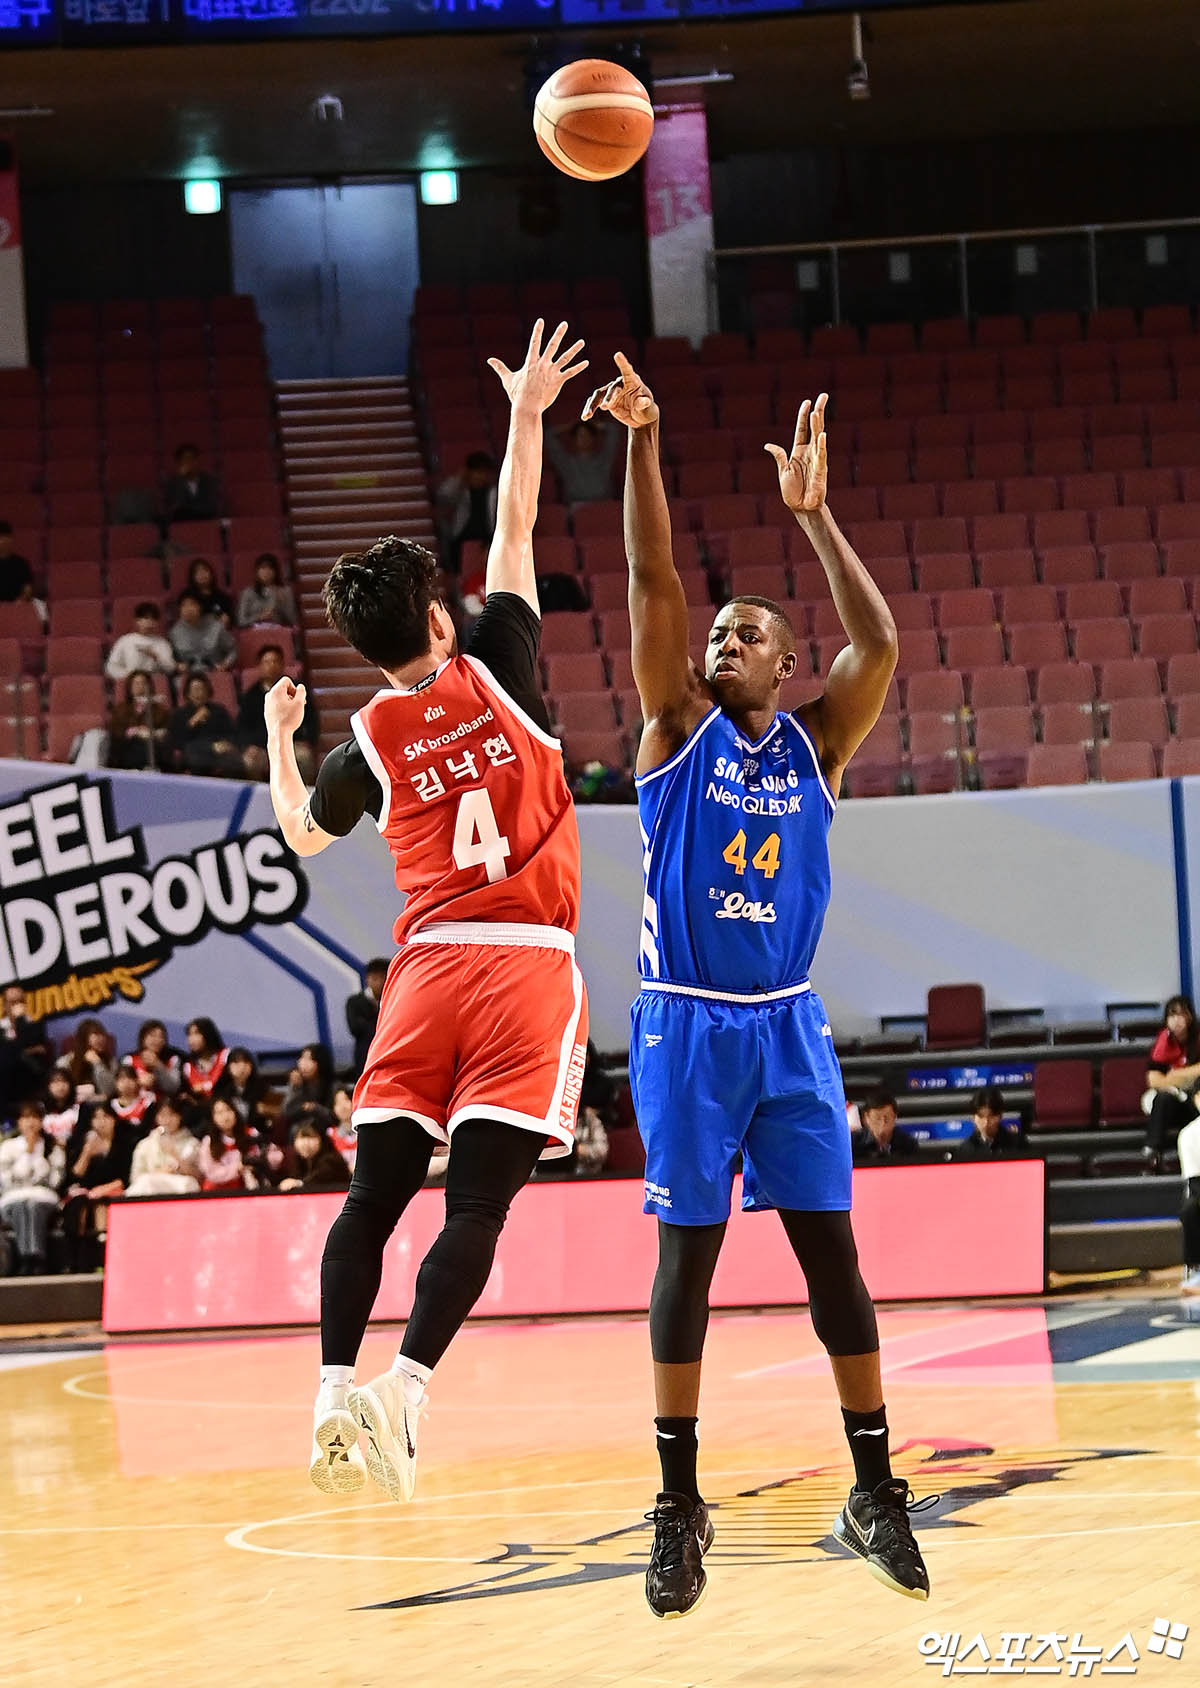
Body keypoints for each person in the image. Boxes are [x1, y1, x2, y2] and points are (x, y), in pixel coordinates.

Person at [584, 355, 928, 1614]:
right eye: (721, 632)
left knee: (835, 1257)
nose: (724, 640)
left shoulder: (817, 742)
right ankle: (679, 1502)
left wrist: (816, 519)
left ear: (787, 666)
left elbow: (879, 642)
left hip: (787, 1027)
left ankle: (873, 1486)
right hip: (685, 1023)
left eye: (750, 634)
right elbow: (652, 579)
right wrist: (643, 443)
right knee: (689, 1260)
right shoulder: (675, 730)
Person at [264, 318, 589, 1503]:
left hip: (426, 969)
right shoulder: (499, 659)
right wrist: (526, 411)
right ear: (441, 622)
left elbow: (300, 832)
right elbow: (515, 523)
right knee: (478, 1204)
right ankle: (403, 1391)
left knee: (372, 1197)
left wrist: (279, 735)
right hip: (525, 966)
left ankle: (326, 1392)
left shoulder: (364, 738)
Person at [59, 1102, 133, 1271]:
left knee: (101, 1204)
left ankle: (104, 1258)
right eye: (96, 1118)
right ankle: (76, 1261)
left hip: (114, 1190)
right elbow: (75, 1175)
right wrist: (87, 1152)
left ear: (114, 1119)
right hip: (86, 1191)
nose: (101, 1122)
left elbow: (125, 1178)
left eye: (105, 1117)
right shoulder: (81, 1142)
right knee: (78, 1205)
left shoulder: (124, 1143)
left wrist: (102, 1190)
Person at [238, 644, 319, 783]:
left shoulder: (296, 691)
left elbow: (312, 719)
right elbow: (243, 727)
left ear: (282, 665)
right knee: (250, 761)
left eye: (275, 661)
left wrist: (308, 740)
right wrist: (249, 746)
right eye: (267, 662)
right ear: (260, 666)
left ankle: (305, 794)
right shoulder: (250, 696)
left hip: (292, 743)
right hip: (262, 747)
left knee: (304, 757)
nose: (271, 666)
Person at [0, 1102, 65, 1274]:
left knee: (33, 1206)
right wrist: (27, 1154)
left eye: (35, 1117)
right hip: (13, 1196)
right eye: (26, 1117)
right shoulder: (8, 1147)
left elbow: (55, 1181)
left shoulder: (53, 1147)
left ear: (41, 1121)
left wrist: (37, 1158)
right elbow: (6, 1181)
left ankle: (35, 1258)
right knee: (22, 1206)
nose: (30, 1122)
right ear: (19, 1122)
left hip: (43, 1196)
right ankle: (28, 1257)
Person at [1144, 995, 1200, 1157]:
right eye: (1172, 1015)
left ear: (1190, 1016)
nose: (1176, 1020)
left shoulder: (1198, 1039)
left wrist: (1175, 1075)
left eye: (1181, 1014)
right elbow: (1154, 1080)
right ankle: (1152, 1149)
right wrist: (1184, 1077)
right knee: (1162, 1098)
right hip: (1176, 1100)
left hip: (1196, 1100)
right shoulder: (1162, 1043)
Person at [169, 672, 242, 777]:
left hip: (219, 752)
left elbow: (232, 733)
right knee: (194, 756)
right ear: (188, 693)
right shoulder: (180, 714)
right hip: (194, 754)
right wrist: (192, 723)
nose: (198, 693)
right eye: (194, 690)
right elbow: (178, 742)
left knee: (232, 760)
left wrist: (225, 744)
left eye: (201, 689)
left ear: (207, 692)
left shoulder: (219, 710)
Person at [125, 1097, 202, 1197]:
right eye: (162, 1115)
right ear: (156, 1118)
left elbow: (198, 1177)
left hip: (179, 1188)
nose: (167, 1120)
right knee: (146, 1182)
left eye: (171, 1115)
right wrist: (159, 1173)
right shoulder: (144, 1144)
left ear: (179, 1116)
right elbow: (136, 1177)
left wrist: (175, 1155)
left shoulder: (192, 1144)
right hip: (149, 1189)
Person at [435, 449, 498, 568]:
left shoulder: (494, 493)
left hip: (488, 539)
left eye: (483, 472)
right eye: (477, 472)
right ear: (469, 472)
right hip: (462, 539)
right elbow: (443, 496)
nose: (480, 477)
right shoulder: (461, 491)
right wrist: (460, 478)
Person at [545, 415, 620, 506]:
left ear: (593, 439)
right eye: (580, 436)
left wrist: (594, 425)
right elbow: (548, 435)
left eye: (587, 435)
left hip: (603, 505)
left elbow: (613, 430)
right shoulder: (566, 462)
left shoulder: (604, 459)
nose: (584, 439)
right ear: (574, 440)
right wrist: (569, 427)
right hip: (577, 507)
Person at [106, 670, 172, 771]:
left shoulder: (160, 710)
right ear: (130, 687)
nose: (140, 686)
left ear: (149, 686)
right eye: (136, 683)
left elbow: (167, 729)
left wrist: (155, 733)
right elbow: (115, 731)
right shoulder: (120, 708)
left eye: (143, 683)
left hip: (154, 745)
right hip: (128, 747)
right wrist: (136, 731)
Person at [0, 984, 51, 1114]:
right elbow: (10, 1055)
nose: (18, 1006)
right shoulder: (1, 1029)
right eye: (13, 1002)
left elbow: (40, 1054)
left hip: (32, 1081)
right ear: (4, 1005)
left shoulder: (35, 1024)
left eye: (20, 1001)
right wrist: (27, 1051)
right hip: (7, 1086)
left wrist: (20, 1020)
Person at [277, 1116, 353, 1193]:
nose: (306, 1143)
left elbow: (317, 1181)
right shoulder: (296, 1160)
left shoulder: (331, 1160)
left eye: (311, 1137)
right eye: (301, 1138)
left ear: (322, 1140)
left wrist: (297, 1183)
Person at [105, 603, 176, 682]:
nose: (150, 623)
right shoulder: (125, 640)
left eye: (153, 619)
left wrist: (156, 657)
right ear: (137, 621)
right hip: (129, 682)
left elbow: (171, 669)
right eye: (146, 618)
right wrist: (129, 676)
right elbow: (110, 667)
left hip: (154, 683)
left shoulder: (162, 643)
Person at [170, 592, 237, 674]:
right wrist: (178, 665)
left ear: (200, 607)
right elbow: (172, 658)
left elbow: (233, 650)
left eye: (192, 604)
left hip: (215, 672)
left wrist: (225, 664)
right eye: (183, 605)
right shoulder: (174, 632)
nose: (188, 609)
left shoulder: (216, 626)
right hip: (188, 675)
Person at [345, 958, 389, 1076]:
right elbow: (354, 1027)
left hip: (388, 1055)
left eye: (382, 978)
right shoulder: (355, 1001)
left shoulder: (393, 1000)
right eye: (375, 978)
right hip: (365, 1058)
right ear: (367, 979)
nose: (379, 983)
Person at [852, 1088, 918, 1165]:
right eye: (877, 1118)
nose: (882, 1123)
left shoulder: (908, 1144)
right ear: (866, 1118)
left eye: (887, 1118)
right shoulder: (853, 1144)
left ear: (895, 1117)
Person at [954, 1085, 1024, 1159]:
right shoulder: (965, 1150)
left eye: (991, 1116)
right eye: (981, 1117)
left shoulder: (1017, 1143)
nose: (986, 1122)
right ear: (973, 1118)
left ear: (1000, 1116)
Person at [60, 1017, 117, 1102]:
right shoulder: (66, 1061)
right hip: (73, 1104)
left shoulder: (111, 1062)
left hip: (102, 1106)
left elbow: (109, 1090)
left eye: (103, 1035)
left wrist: (97, 1063)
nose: (101, 1038)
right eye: (96, 1034)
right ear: (84, 1037)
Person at [163, 443, 221, 525]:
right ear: (179, 463)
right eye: (185, 460)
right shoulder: (172, 483)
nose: (190, 463)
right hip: (182, 523)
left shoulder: (209, 481)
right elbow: (175, 507)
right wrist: (180, 479)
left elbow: (212, 506)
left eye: (193, 459)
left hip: (206, 521)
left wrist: (191, 509)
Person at [238, 553, 297, 628]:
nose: (267, 572)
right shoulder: (248, 592)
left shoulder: (285, 591)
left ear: (276, 571)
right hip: (254, 631)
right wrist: (259, 617)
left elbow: (292, 620)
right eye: (263, 568)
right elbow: (241, 621)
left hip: (277, 630)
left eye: (270, 568)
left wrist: (283, 602)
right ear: (257, 571)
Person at [126, 1019, 183, 1098]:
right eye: (152, 1035)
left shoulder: (173, 1060)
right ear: (143, 1038)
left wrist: (159, 1065)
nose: (157, 1040)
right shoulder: (129, 1060)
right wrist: (138, 1082)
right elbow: (121, 1086)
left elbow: (173, 1088)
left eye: (161, 1037)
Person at [0, 519, 44, 619]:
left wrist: (20, 602)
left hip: (20, 604)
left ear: (11, 539)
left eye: (6, 537)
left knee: (41, 606)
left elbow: (27, 588)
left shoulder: (21, 563)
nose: (2, 541)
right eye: (0, 538)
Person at [282, 1041, 335, 1122]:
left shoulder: (334, 1086)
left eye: (310, 1059)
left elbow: (335, 1116)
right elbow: (287, 1112)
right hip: (301, 1127)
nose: (303, 1064)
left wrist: (315, 1108)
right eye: (302, 1058)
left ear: (321, 1062)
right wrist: (296, 1087)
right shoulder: (297, 1082)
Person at [181, 1018, 229, 1098]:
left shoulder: (226, 1057)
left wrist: (203, 1087)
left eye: (196, 1033)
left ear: (208, 1034)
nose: (191, 1039)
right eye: (189, 1034)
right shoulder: (187, 1067)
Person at [183, 557, 235, 626]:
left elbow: (230, 617)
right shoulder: (187, 595)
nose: (202, 574)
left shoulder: (221, 596)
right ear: (192, 577)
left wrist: (227, 619)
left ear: (211, 574)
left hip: (215, 629)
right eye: (197, 572)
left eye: (205, 570)